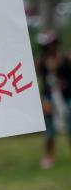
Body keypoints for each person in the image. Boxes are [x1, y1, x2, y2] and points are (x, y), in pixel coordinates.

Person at [35, 30, 71, 169]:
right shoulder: (42, 60)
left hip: (67, 97)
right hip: (49, 99)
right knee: (49, 131)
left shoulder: (66, 57)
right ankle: (48, 157)